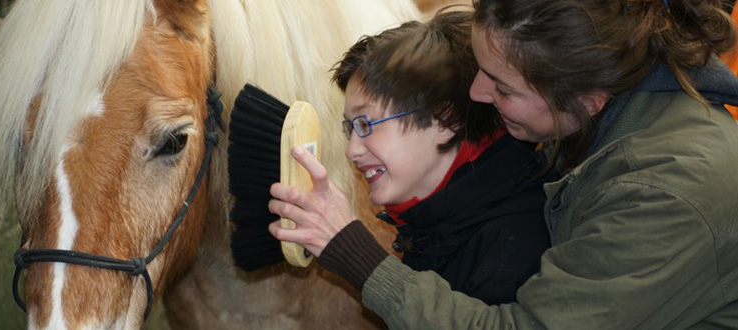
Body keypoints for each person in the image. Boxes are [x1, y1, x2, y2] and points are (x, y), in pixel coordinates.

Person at [269, 0, 738, 329]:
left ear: (586, 100)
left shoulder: (664, 188)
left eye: (502, 87)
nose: (475, 95)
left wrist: (360, 257)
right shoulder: (587, 129)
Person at [272, 10, 553, 305]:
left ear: (445, 120)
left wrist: (351, 250)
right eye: (350, 128)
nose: (351, 150)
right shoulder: (440, 224)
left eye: (366, 124)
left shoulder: (509, 253)